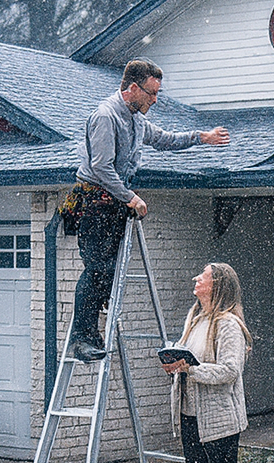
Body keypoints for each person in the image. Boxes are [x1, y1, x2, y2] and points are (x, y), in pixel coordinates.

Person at [64, 59, 228, 363]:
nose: (155, 99)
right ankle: (81, 339)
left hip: (113, 205)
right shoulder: (106, 116)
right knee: (98, 268)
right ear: (133, 88)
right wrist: (130, 197)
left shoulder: (136, 120)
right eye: (151, 93)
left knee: (109, 272)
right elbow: (100, 167)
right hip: (95, 203)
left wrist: (201, 137)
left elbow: (163, 140)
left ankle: (91, 333)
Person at [162, 262, 251, 463]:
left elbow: (230, 370)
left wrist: (192, 369)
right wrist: (175, 364)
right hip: (190, 415)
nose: (196, 278)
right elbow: (191, 361)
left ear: (217, 285)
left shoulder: (228, 325)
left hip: (220, 420)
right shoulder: (195, 319)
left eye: (203, 275)